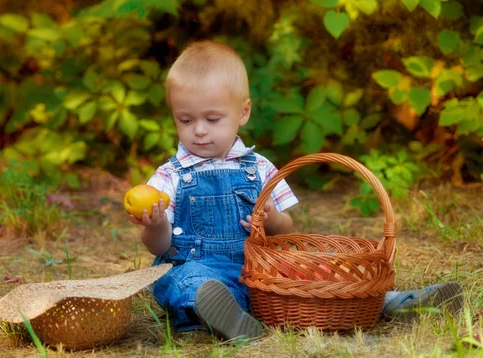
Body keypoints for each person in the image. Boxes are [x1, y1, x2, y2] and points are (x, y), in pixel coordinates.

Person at [128, 40, 463, 341]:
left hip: (262, 274)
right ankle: (222, 313)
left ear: (243, 112)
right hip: (203, 269)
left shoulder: (258, 168)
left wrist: (273, 218)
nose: (199, 131)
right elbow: (158, 246)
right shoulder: (169, 176)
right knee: (184, 280)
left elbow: (288, 230)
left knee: (315, 271)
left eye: (213, 119)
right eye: (185, 121)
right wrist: (156, 225)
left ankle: (391, 301)